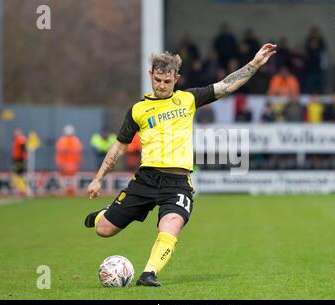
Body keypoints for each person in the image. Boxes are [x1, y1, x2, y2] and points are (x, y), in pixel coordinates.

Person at [84, 44, 277, 287]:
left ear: (176, 78)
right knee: (104, 229)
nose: (161, 85)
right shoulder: (138, 110)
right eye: (157, 80)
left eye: (166, 81)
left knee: (171, 224)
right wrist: (98, 178)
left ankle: (148, 274)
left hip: (177, 183)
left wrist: (255, 64)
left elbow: (227, 84)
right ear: (150, 76)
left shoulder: (188, 99)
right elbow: (119, 146)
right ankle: (104, 214)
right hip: (146, 179)